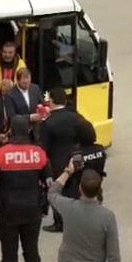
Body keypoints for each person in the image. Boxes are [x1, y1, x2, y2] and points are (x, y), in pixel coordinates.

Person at [0, 114, 51, 262]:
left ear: (10, 131)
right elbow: (49, 183)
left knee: (9, 254)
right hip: (32, 210)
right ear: (29, 130)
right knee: (31, 251)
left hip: (7, 211)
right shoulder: (39, 152)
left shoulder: (0, 153)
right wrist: (44, 207)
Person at [40, 87, 84, 233]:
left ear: (51, 101)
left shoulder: (48, 122)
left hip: (56, 160)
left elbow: (43, 147)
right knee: (73, 190)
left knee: (57, 193)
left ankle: (60, 223)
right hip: (75, 158)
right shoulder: (75, 116)